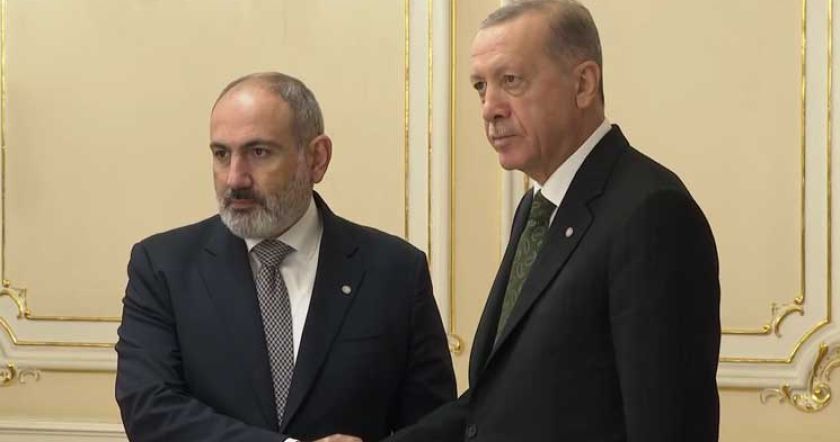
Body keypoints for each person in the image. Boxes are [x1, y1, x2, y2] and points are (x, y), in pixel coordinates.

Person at [384, 1, 721, 441]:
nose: (489, 108)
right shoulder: (537, 208)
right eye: (481, 86)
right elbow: (493, 406)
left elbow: (667, 425)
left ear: (583, 84)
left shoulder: (652, 214)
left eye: (511, 80)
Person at [115, 72, 456, 442]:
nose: (235, 178)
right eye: (221, 154)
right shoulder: (163, 266)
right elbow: (150, 410)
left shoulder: (394, 271)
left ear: (317, 159)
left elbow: (435, 425)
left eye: (259, 152)